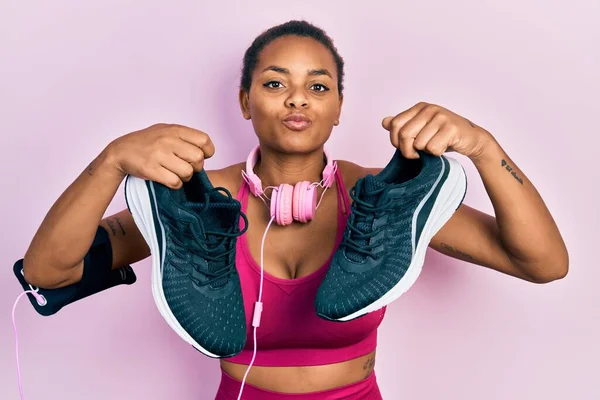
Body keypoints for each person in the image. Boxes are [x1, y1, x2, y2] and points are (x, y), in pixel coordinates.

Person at [21, 20, 569, 399]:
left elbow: (541, 263)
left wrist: (484, 147)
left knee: (397, 207)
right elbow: (49, 272)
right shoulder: (191, 200)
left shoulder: (388, 198)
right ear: (246, 101)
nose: (298, 99)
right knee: (185, 215)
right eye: (275, 82)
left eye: (319, 86)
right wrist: (111, 160)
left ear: (337, 110)